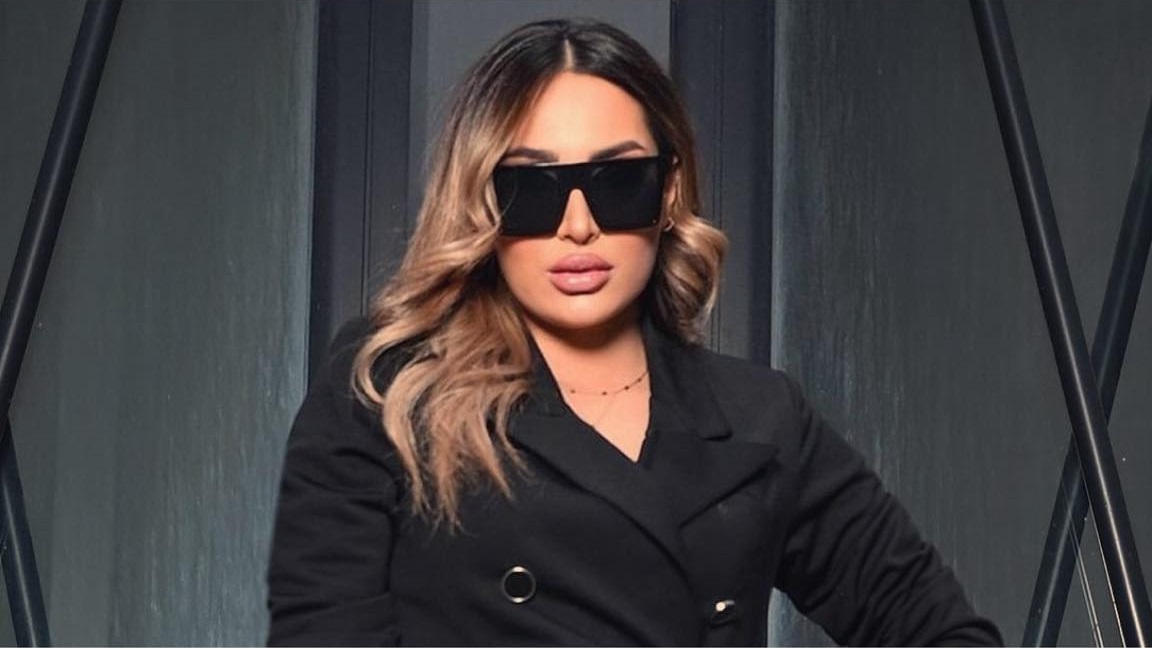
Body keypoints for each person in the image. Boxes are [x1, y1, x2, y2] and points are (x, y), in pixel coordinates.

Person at [266, 17, 1002, 647]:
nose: (578, 225)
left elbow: (936, 630)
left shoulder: (758, 417)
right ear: (482, 206)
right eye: (531, 189)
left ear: (669, 190)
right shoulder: (391, 388)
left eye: (618, 182)